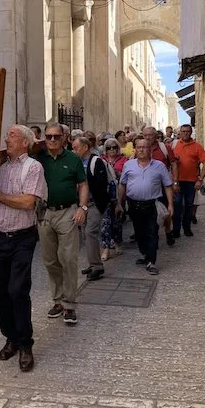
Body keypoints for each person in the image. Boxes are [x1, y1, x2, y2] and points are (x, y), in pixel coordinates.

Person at [0, 125, 47, 372]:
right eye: (7, 135)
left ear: (25, 142)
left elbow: (28, 202)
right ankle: (11, 337)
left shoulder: (33, 167)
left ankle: (26, 343)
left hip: (23, 238)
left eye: (13, 135)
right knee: (0, 293)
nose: (7, 138)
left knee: (18, 290)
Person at [37, 122, 88, 325]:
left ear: (63, 138)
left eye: (56, 137)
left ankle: (70, 304)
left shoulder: (73, 159)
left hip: (67, 211)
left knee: (68, 258)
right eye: (48, 137)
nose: (52, 140)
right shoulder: (39, 158)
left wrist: (82, 208)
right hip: (45, 212)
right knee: (50, 260)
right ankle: (58, 300)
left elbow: (83, 184)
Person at [118, 138, 174, 275]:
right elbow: (122, 184)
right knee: (139, 233)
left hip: (152, 205)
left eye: (145, 147)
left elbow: (167, 186)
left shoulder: (159, 166)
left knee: (152, 232)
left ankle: (151, 261)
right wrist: (119, 203)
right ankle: (145, 254)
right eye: (139, 147)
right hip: (134, 204)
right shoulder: (129, 165)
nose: (142, 150)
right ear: (135, 150)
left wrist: (171, 204)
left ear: (150, 150)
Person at [72, 137, 110, 281]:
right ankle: (92, 263)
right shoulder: (77, 163)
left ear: (85, 147)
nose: (74, 151)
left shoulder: (97, 162)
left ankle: (97, 266)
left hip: (94, 203)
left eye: (76, 148)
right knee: (85, 233)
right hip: (83, 204)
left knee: (90, 232)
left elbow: (101, 184)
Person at [142, 126, 179, 247]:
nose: (147, 138)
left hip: (163, 185)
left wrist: (174, 181)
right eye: (145, 135)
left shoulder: (164, 148)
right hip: (147, 186)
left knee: (165, 211)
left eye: (150, 135)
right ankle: (153, 235)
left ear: (156, 136)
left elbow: (173, 163)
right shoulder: (140, 149)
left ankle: (168, 230)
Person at [173, 124, 205, 238]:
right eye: (183, 131)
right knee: (177, 206)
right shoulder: (174, 145)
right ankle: (176, 229)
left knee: (189, 206)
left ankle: (187, 228)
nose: (185, 133)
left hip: (191, 182)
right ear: (180, 132)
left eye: (187, 131)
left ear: (191, 132)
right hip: (177, 181)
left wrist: (200, 179)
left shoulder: (197, 146)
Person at [100, 137, 128, 259]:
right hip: (105, 195)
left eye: (114, 147)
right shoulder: (100, 160)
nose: (111, 150)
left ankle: (117, 242)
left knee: (117, 221)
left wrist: (118, 173)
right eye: (109, 148)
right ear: (105, 149)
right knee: (105, 222)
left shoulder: (124, 160)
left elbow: (127, 176)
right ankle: (106, 248)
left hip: (119, 194)